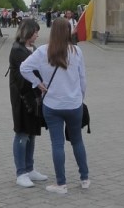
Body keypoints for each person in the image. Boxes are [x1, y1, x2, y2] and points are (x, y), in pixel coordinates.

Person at [20, 16, 89, 193]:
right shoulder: (76, 52)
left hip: (53, 105)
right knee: (77, 142)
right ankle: (85, 178)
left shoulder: (43, 51)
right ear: (68, 31)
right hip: (74, 104)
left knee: (57, 144)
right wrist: (79, 97)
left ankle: (61, 183)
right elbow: (82, 79)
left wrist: (37, 83)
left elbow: (24, 68)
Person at [8, 18, 48, 188]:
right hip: (22, 97)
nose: (38, 35)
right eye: (36, 31)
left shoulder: (32, 48)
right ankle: (21, 172)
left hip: (33, 97)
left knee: (31, 132)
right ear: (28, 32)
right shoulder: (18, 50)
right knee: (22, 133)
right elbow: (26, 74)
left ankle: (29, 168)